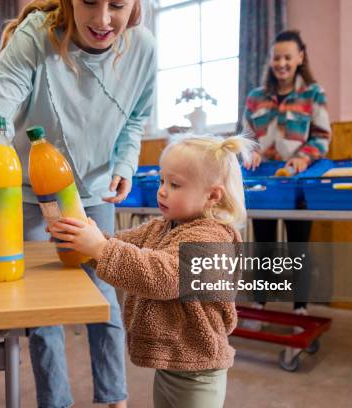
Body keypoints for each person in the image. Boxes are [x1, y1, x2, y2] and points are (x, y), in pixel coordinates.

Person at [0, 0, 156, 407]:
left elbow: (136, 116)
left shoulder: (143, 49)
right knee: (40, 304)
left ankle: (114, 398)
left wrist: (125, 162)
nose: (102, 20)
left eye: (117, 5)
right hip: (28, 190)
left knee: (103, 297)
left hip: (94, 191)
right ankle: (55, 401)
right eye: (89, 3)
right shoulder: (35, 36)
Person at [48, 135, 253, 408]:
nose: (162, 191)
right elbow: (119, 246)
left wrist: (99, 248)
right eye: (162, 181)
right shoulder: (161, 226)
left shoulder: (212, 239)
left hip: (199, 372)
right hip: (171, 363)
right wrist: (85, 240)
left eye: (175, 184)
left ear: (212, 196)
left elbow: (164, 276)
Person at [242, 29, 331, 315]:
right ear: (270, 60)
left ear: (300, 58)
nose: (281, 63)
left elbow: (321, 136)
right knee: (264, 245)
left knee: (298, 247)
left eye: (287, 57)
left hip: (299, 179)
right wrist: (251, 150)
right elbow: (246, 136)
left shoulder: (313, 94)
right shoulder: (256, 98)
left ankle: (300, 308)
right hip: (264, 182)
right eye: (276, 57)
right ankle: (259, 301)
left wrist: (302, 159)